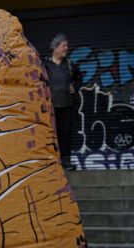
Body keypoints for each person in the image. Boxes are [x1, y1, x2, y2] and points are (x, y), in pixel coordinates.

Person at [45, 33, 81, 169]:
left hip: (67, 106)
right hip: (51, 107)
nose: (66, 48)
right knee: (51, 135)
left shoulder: (70, 65)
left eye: (67, 46)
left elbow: (78, 79)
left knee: (66, 133)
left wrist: (75, 87)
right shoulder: (45, 65)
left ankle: (65, 162)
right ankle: (51, 162)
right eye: (64, 46)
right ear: (55, 47)